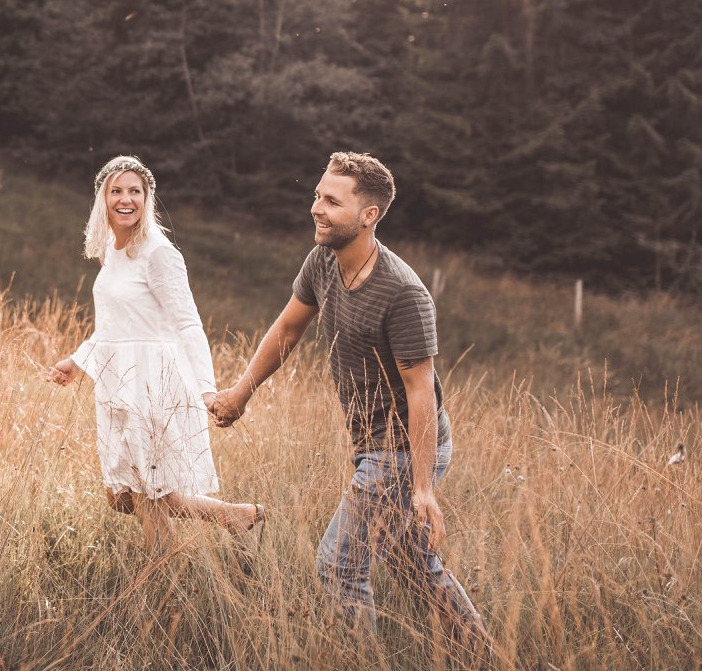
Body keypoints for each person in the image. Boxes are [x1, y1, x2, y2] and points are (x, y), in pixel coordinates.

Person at [210, 152, 492, 658]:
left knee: (339, 564)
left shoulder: (403, 294)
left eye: (332, 201)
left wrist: (422, 487)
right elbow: (288, 328)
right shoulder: (322, 260)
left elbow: (421, 392)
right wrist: (239, 394)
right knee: (414, 567)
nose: (316, 207)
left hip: (402, 449)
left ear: (369, 215)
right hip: (372, 446)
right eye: (317, 195)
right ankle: (487, 658)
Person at [48, 155, 262, 551]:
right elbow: (116, 325)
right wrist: (76, 362)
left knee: (142, 489)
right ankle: (235, 516)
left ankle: (162, 570)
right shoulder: (113, 249)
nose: (126, 199)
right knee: (121, 495)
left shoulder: (159, 253)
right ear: (103, 198)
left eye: (135, 191)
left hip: (152, 383)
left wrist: (206, 389)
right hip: (118, 381)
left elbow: (188, 324)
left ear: (147, 199)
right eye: (116, 191)